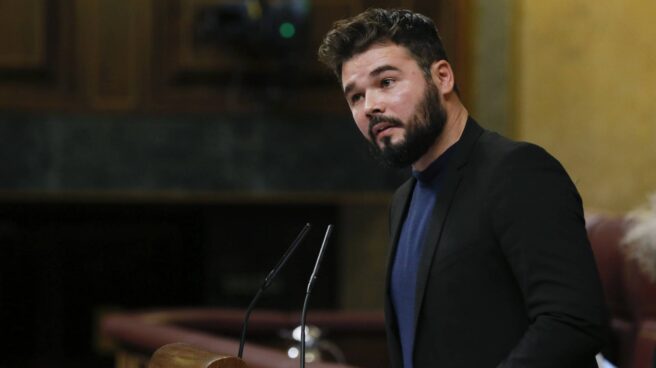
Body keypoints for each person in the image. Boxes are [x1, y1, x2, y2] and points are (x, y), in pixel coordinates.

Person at [318, 8, 608, 368]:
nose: (371, 106)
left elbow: (573, 321)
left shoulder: (518, 172)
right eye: (355, 97)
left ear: (442, 76)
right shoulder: (403, 200)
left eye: (386, 82)